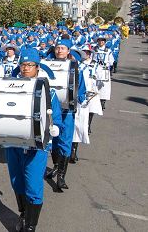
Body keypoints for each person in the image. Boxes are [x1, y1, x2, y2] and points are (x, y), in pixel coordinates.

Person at [5, 48, 63, 232]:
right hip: (13, 142)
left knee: (33, 186)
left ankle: (31, 226)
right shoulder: (9, 89)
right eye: (23, 65)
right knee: (17, 182)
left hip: (37, 147)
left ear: (37, 68)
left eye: (29, 65)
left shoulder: (49, 93)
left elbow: (58, 119)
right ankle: (23, 215)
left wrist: (55, 127)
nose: (25, 68)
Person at [44, 39, 86, 192]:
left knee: (65, 142)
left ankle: (61, 176)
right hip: (50, 109)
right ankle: (56, 166)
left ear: (68, 51)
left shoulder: (74, 68)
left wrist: (77, 98)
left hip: (66, 110)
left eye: (63, 48)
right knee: (52, 139)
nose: (60, 50)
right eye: (57, 48)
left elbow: (80, 89)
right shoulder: (47, 66)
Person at [93, 35, 114, 111]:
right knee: (95, 85)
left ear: (105, 42)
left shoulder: (108, 50)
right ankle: (96, 101)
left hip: (104, 70)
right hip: (96, 69)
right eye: (99, 40)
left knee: (104, 87)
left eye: (103, 40)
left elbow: (111, 61)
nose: (101, 42)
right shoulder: (94, 49)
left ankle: (103, 101)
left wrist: (107, 64)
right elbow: (92, 58)